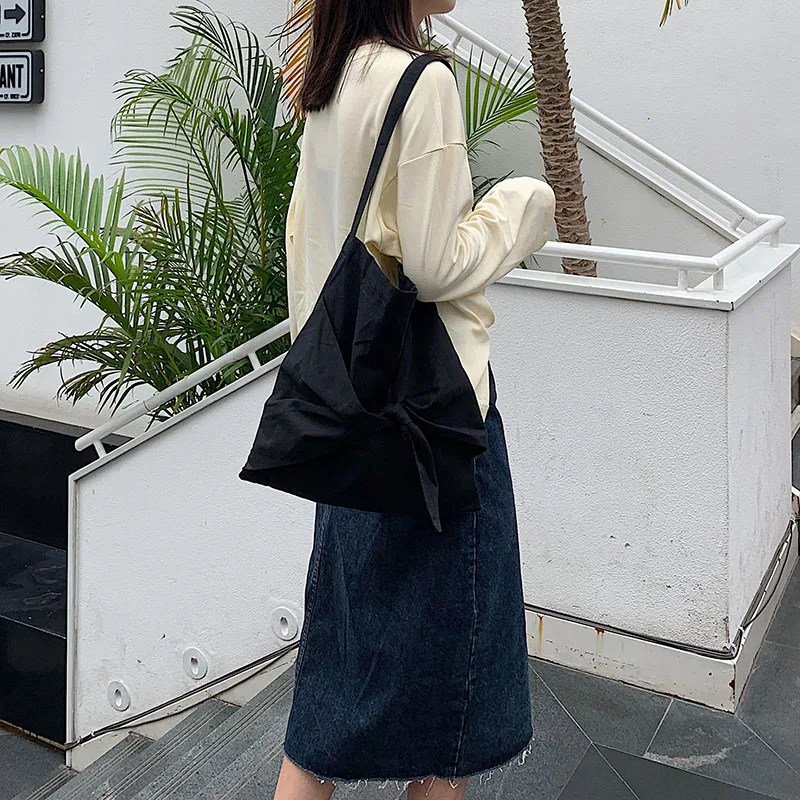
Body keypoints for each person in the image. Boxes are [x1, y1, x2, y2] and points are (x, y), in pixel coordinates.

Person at [273, 0, 556, 797]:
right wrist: (522, 207)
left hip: (352, 417)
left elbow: (309, 242)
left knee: (331, 695)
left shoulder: (329, 76)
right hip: (436, 424)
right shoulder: (420, 81)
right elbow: (434, 265)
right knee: (450, 708)